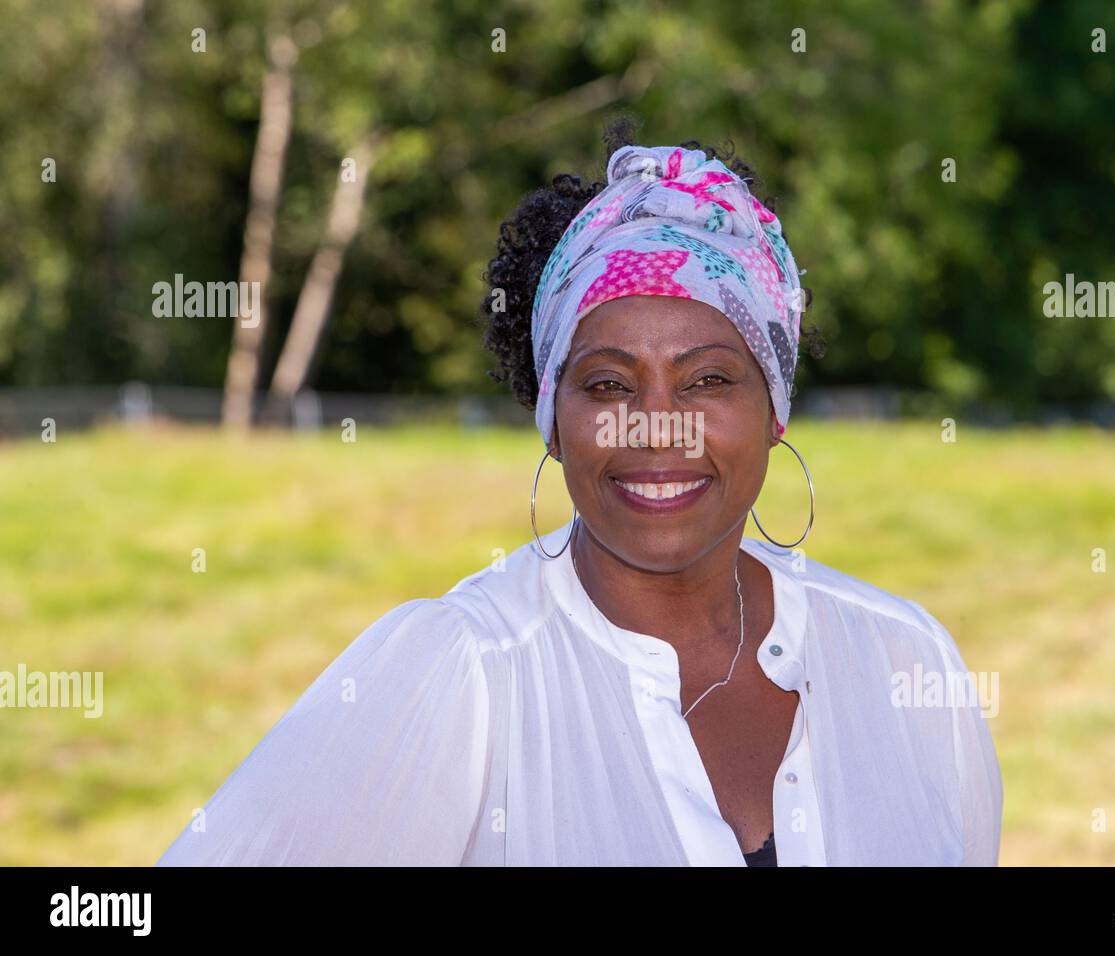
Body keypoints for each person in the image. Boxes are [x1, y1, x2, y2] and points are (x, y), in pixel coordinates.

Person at [156, 126, 1002, 867]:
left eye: (708, 379)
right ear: (552, 421)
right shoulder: (463, 674)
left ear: (774, 410)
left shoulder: (903, 663)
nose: (656, 428)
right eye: (607, 385)